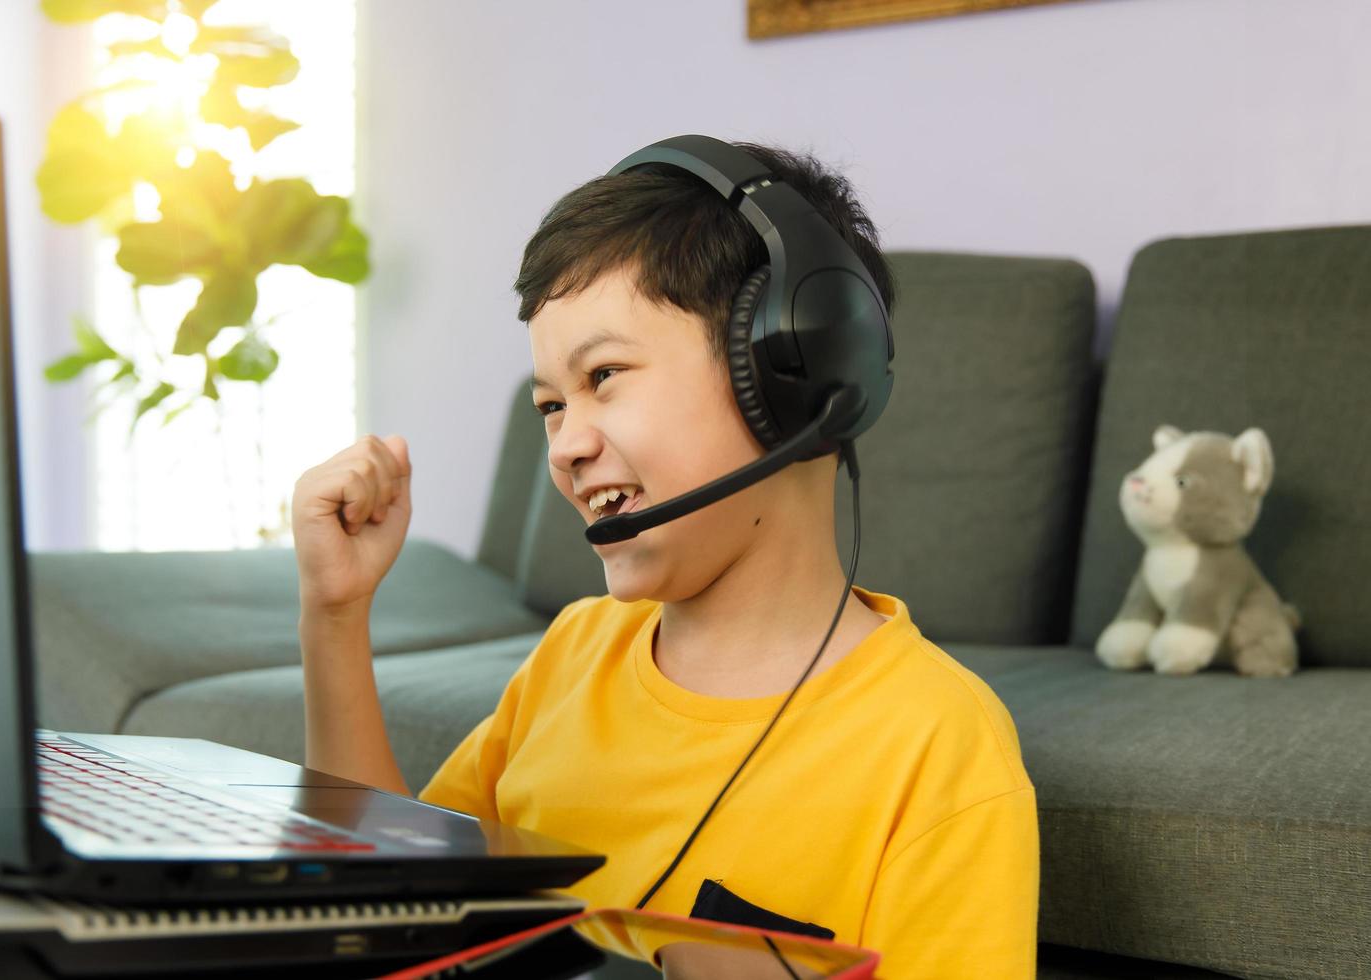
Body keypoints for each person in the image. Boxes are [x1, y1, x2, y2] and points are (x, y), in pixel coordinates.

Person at [291, 139, 1039, 977]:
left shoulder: (935, 742)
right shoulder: (574, 654)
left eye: (604, 375)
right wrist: (334, 612)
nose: (566, 446)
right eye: (549, 404)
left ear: (789, 372)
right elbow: (397, 910)